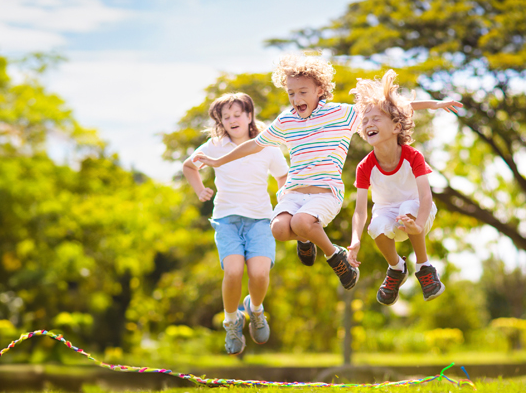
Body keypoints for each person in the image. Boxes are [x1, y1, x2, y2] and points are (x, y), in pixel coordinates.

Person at [193, 54, 462, 292]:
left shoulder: (340, 115)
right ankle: (307, 239)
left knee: (300, 223)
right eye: (291, 94)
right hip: (294, 192)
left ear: (319, 90)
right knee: (278, 229)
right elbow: (254, 144)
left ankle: (337, 258)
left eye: (302, 92)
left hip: (326, 191)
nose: (296, 99)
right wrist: (218, 161)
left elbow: (391, 108)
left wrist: (435, 104)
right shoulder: (286, 120)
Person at [183, 93, 288, 355]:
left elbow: (283, 175)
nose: (232, 120)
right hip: (227, 220)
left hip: (261, 220)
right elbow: (189, 166)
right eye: (225, 117)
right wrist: (199, 190)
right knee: (233, 272)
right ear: (220, 122)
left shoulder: (267, 145)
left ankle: (255, 310)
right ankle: (232, 321)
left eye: (237, 114)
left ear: (249, 115)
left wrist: (284, 206)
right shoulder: (214, 146)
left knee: (259, 274)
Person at [347, 70, 458, 304]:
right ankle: (396, 268)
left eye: (376, 119)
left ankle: (424, 266)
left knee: (408, 205)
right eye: (365, 121)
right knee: (376, 225)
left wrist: (417, 225)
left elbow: (425, 197)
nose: (369, 124)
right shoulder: (364, 167)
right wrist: (355, 238)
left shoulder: (412, 156)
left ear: (396, 127)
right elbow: (360, 211)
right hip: (390, 216)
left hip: (419, 213)